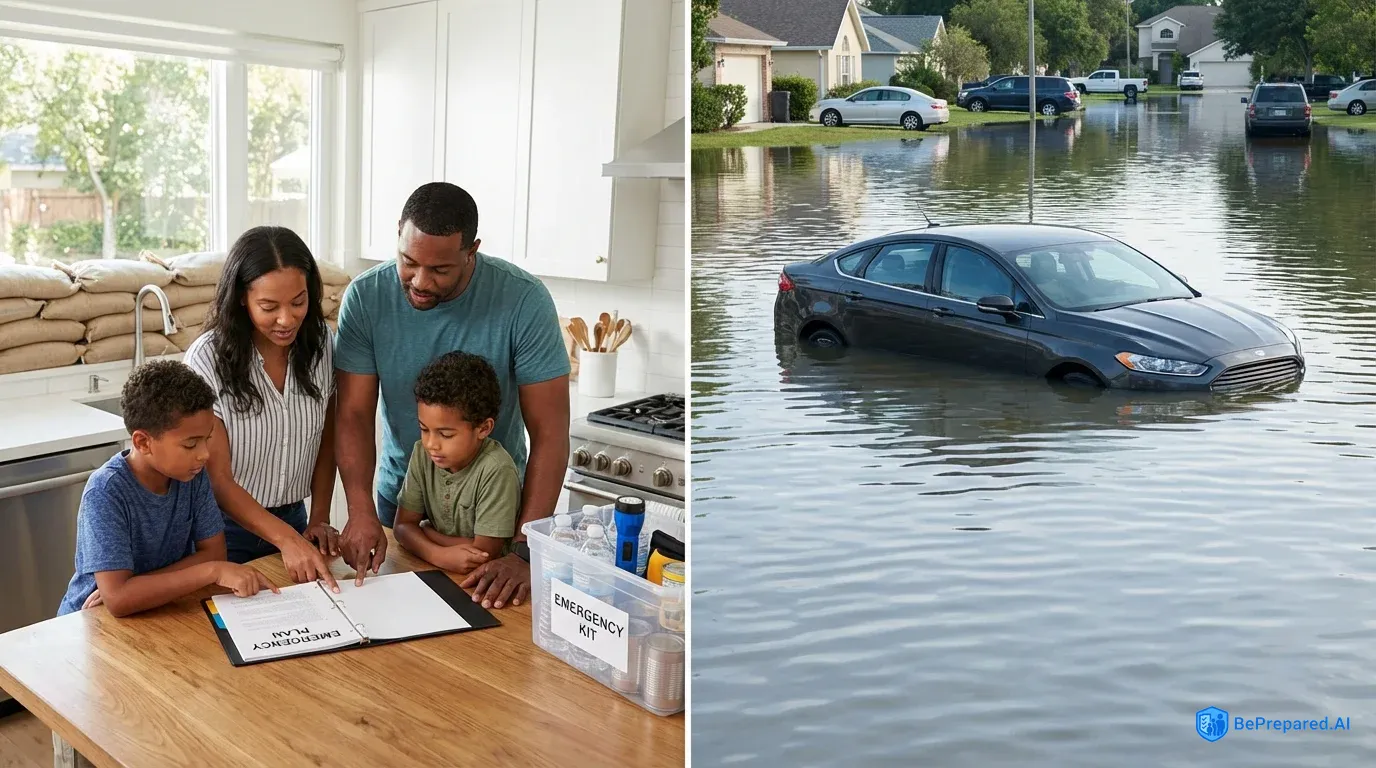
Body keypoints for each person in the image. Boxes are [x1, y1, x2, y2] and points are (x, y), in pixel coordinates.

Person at [334, 181, 570, 602]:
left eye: (440, 270)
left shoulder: (523, 300)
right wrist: (360, 510)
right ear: (398, 234)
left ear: (471, 251)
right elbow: (352, 414)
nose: (420, 281)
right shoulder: (366, 298)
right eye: (408, 261)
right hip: (401, 505)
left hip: (496, 517)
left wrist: (524, 551)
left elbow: (550, 433)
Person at [183, 226, 341, 591]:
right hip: (222, 533)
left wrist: (318, 518)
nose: (286, 320)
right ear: (241, 298)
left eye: (298, 302)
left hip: (297, 519)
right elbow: (218, 479)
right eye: (269, 307)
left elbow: (326, 442)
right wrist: (287, 541)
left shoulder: (322, 348)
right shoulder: (208, 360)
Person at [57, 360, 277, 618]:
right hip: (90, 620)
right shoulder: (106, 492)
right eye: (190, 444)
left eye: (207, 440)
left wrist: (135, 589)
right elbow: (117, 602)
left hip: (158, 609)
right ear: (143, 442)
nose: (204, 454)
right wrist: (212, 571)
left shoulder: (192, 475)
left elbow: (215, 552)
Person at [392, 351, 521, 573]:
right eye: (424, 429)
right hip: (436, 570)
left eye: (446, 434)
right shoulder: (422, 453)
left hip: (484, 580)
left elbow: (484, 553)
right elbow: (402, 527)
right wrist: (438, 555)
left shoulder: (497, 470)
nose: (431, 443)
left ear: (483, 428)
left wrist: (426, 532)